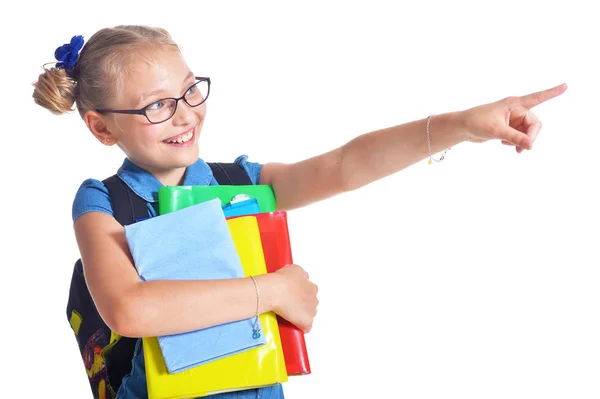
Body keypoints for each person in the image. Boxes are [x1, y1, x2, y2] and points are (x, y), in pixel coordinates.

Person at [32, 25, 566, 399]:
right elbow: (130, 309)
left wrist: (462, 125)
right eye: (156, 105)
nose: (185, 113)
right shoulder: (102, 201)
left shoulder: (238, 182)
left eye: (190, 90)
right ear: (103, 127)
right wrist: (275, 291)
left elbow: (345, 165)